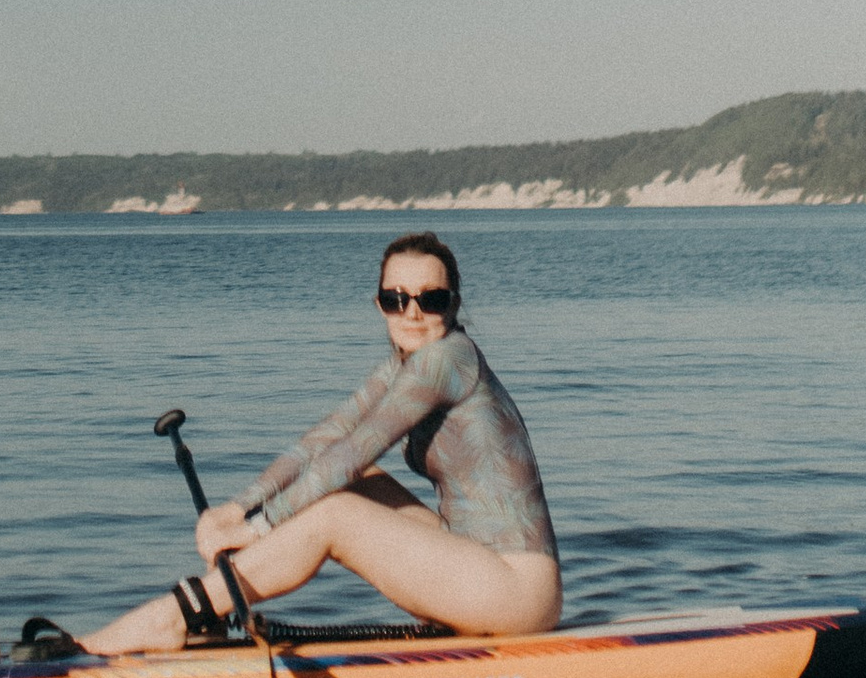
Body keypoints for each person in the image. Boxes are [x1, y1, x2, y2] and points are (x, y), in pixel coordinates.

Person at [81, 232, 561, 652]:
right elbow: (327, 437)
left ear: (453, 304)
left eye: (430, 299)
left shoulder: (445, 360)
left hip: (518, 591)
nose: (412, 313)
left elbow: (354, 451)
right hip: (476, 566)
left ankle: (171, 617)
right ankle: (211, 606)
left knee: (336, 512)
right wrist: (237, 509)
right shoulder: (405, 364)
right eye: (396, 299)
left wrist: (259, 529)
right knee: (359, 483)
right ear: (379, 304)